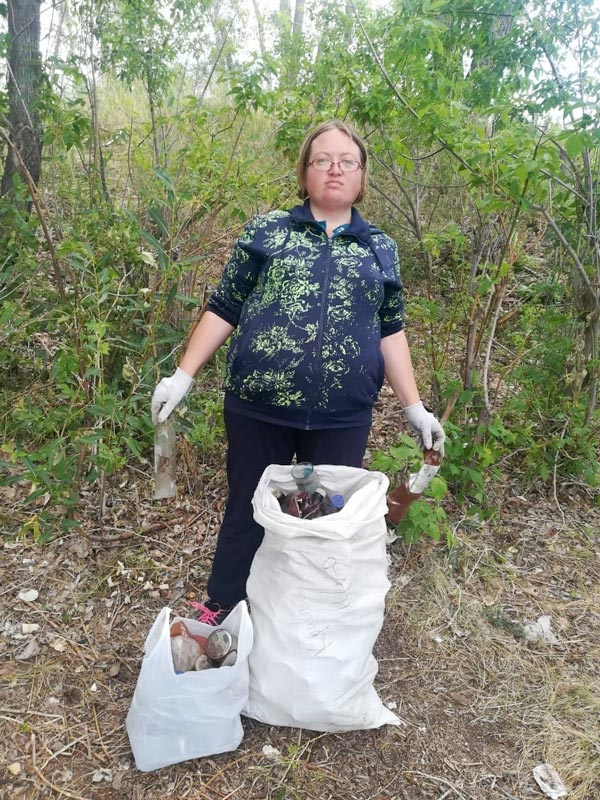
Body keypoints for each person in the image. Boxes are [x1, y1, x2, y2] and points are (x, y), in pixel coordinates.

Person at [151, 120, 445, 625]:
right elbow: (225, 305)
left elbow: (390, 330)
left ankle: (302, 622)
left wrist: (413, 406)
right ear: (305, 172)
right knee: (247, 508)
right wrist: (183, 375)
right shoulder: (268, 230)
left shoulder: (381, 248)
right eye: (322, 160)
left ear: (361, 176)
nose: (334, 168)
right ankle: (222, 608)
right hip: (258, 406)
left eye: (346, 161)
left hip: (341, 417)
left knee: (322, 520)